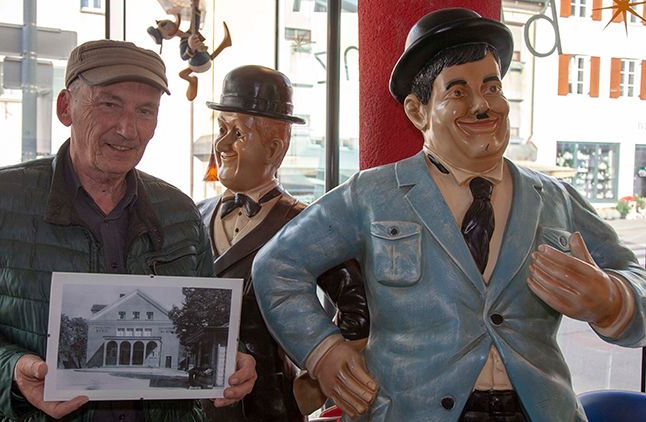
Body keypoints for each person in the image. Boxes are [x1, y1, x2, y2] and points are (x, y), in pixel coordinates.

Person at [252, 8, 646, 422]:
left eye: (492, 88)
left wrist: (612, 300)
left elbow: (634, 277)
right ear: (418, 111)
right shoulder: (373, 194)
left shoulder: (555, 198)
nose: (482, 106)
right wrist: (323, 351)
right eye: (457, 92)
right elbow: (277, 265)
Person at [0, 39, 256, 422]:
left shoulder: (179, 212)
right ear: (66, 107)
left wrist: (231, 357)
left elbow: (203, 324)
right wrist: (10, 371)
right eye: (109, 104)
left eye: (145, 111)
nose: (127, 129)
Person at [196, 65, 369, 421]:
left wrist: (315, 384)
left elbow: (360, 308)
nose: (222, 145)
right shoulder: (195, 215)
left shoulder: (306, 224)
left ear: (273, 148)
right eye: (222, 129)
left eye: (238, 134)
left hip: (267, 408)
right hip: (196, 405)